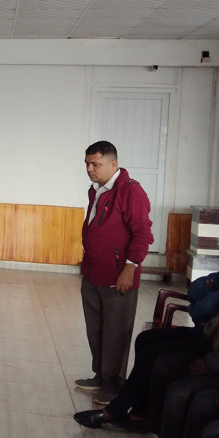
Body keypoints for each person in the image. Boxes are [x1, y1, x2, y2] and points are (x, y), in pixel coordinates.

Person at [74, 272, 219, 431]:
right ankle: (140, 412)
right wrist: (204, 300)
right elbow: (195, 289)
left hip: (209, 345)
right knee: (144, 339)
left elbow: (204, 309)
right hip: (203, 334)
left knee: (154, 353)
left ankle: (116, 410)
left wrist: (207, 296)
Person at [75, 140, 153, 404]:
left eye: (95, 164)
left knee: (116, 332)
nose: (89, 169)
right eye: (87, 163)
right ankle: (101, 375)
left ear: (113, 164)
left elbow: (142, 233)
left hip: (118, 276)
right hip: (93, 271)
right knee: (95, 328)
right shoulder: (97, 190)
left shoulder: (131, 191)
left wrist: (130, 268)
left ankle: (114, 384)